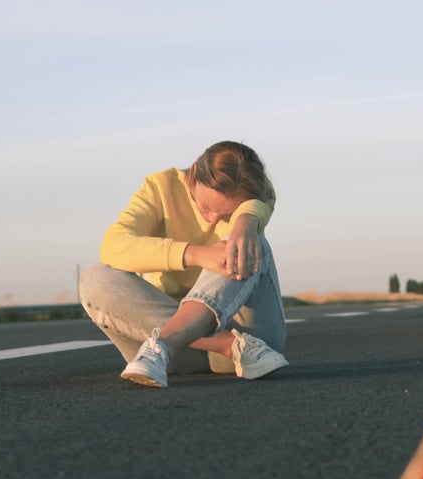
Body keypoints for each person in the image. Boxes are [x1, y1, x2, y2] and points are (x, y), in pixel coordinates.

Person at [79, 140, 288, 388]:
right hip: (177, 355)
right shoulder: (160, 188)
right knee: (96, 279)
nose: (213, 220)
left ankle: (171, 343)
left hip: (253, 346)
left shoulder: (256, 200)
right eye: (207, 207)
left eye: (227, 216)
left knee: (249, 246)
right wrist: (195, 254)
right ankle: (223, 344)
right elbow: (114, 245)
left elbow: (264, 197)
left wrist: (245, 222)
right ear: (194, 173)